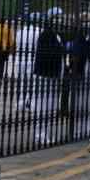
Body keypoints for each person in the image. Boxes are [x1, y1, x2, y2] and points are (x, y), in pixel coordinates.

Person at [32, 12, 65, 145]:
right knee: (44, 106)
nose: (59, 21)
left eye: (60, 18)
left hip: (53, 75)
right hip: (46, 75)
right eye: (57, 18)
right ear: (51, 19)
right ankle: (40, 134)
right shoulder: (46, 34)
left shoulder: (55, 35)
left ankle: (45, 133)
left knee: (50, 107)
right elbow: (48, 54)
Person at [15, 13, 41, 110]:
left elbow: (17, 44)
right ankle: (31, 104)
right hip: (32, 59)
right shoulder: (38, 31)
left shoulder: (20, 31)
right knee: (33, 83)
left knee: (22, 82)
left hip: (20, 59)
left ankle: (19, 103)